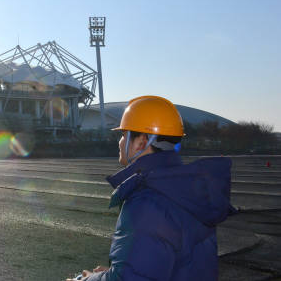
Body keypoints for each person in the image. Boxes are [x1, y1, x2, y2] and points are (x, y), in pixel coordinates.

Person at [67, 95, 235, 280]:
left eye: (124, 135)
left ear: (141, 142)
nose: (120, 142)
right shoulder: (184, 189)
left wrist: (86, 279)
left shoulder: (148, 203)